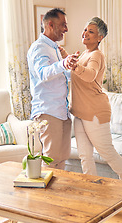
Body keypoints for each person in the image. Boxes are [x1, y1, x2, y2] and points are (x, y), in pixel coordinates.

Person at [69, 17, 122, 181]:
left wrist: (76, 66)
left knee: (107, 153)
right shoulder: (85, 53)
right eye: (85, 30)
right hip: (79, 112)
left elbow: (90, 75)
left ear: (100, 38)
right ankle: (93, 192)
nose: (85, 33)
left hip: (95, 112)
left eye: (91, 32)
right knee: (85, 156)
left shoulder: (97, 55)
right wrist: (66, 57)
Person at [27, 8, 78, 169]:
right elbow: (43, 73)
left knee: (62, 158)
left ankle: (58, 194)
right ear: (50, 24)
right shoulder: (39, 48)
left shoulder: (55, 49)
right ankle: (44, 195)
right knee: (50, 160)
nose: (66, 29)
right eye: (63, 24)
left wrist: (72, 68)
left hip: (62, 112)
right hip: (48, 112)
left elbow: (61, 76)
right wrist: (63, 63)